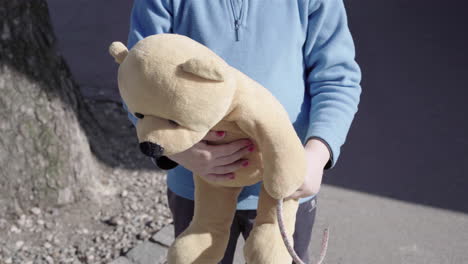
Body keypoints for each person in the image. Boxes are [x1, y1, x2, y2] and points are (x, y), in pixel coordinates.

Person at [123, 0, 361, 263]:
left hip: (286, 190)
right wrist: (183, 153)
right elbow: (138, 79)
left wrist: (316, 156)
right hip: (197, 184)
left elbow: (337, 79)